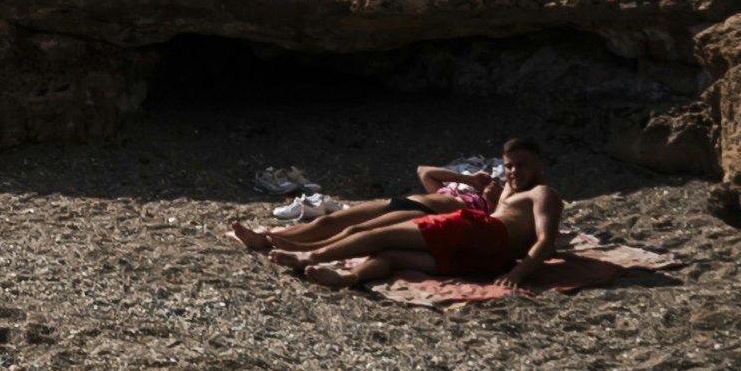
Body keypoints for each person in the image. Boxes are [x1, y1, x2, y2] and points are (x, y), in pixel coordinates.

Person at [238, 136, 564, 286]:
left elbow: (546, 240)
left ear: (540, 165)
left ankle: (309, 254)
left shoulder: (542, 193)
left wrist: (518, 273)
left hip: (480, 234)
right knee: (390, 254)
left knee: (377, 235)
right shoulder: (509, 191)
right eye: (509, 166)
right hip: (483, 256)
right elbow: (426, 173)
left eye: (522, 165)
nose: (513, 171)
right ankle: (348, 276)